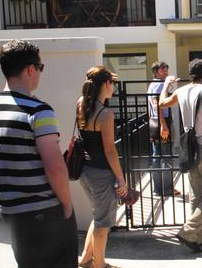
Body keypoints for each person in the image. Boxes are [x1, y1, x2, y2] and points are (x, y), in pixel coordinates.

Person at [0, 39, 78, 267]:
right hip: (45, 212)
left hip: (11, 213)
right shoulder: (39, 110)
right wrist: (67, 205)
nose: (40, 73)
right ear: (31, 69)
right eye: (40, 68)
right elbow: (54, 165)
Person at [159, 58, 202, 253]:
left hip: (189, 147)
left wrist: (166, 85)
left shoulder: (180, 91)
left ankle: (199, 236)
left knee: (196, 194)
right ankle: (189, 231)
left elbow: (163, 103)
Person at [76, 66, 128, 268]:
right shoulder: (105, 114)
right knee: (103, 223)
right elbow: (110, 151)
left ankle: (86, 259)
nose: (113, 86)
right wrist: (121, 179)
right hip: (101, 173)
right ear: (106, 84)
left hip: (84, 171)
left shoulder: (81, 104)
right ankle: (100, 265)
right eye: (112, 83)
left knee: (98, 215)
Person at [147, 62, 179, 197]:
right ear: (155, 71)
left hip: (153, 122)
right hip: (162, 122)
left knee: (157, 156)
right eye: (162, 69)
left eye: (166, 68)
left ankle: (157, 189)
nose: (165, 70)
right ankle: (167, 189)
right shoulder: (159, 85)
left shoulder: (153, 84)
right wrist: (164, 125)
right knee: (165, 156)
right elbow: (157, 105)